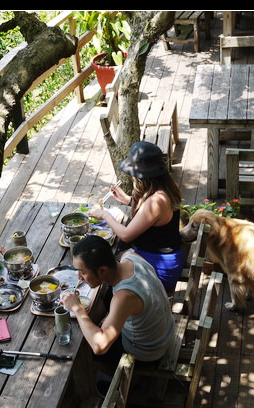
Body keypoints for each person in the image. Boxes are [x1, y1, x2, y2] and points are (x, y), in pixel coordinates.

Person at [60, 235, 174, 376]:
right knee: (105, 296)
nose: (79, 277)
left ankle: (120, 380)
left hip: (149, 351)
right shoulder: (130, 256)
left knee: (85, 350)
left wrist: (77, 308)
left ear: (102, 270)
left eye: (83, 272)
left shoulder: (124, 297)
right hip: (164, 331)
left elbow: (99, 346)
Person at [88, 141, 184, 293]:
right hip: (162, 256)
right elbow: (151, 216)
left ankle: (111, 305)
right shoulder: (165, 188)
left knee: (108, 269)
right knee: (117, 259)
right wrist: (128, 199)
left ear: (141, 177)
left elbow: (126, 235)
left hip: (160, 269)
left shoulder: (156, 201)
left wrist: (104, 215)